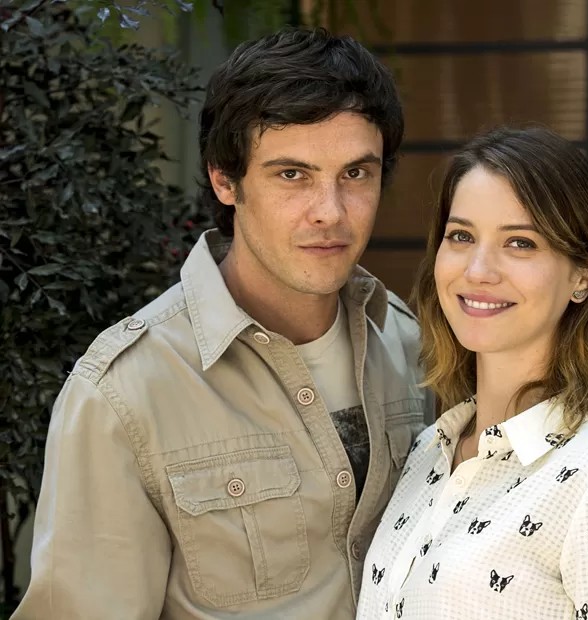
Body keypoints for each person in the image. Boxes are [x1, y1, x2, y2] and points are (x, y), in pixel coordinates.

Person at [14, 27, 432, 620]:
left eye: (355, 174)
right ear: (224, 180)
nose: (330, 211)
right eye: (292, 175)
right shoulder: (123, 395)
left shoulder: (412, 347)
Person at [357, 126, 588, 619]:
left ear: (584, 275)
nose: (478, 270)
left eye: (520, 243)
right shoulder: (426, 452)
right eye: (461, 236)